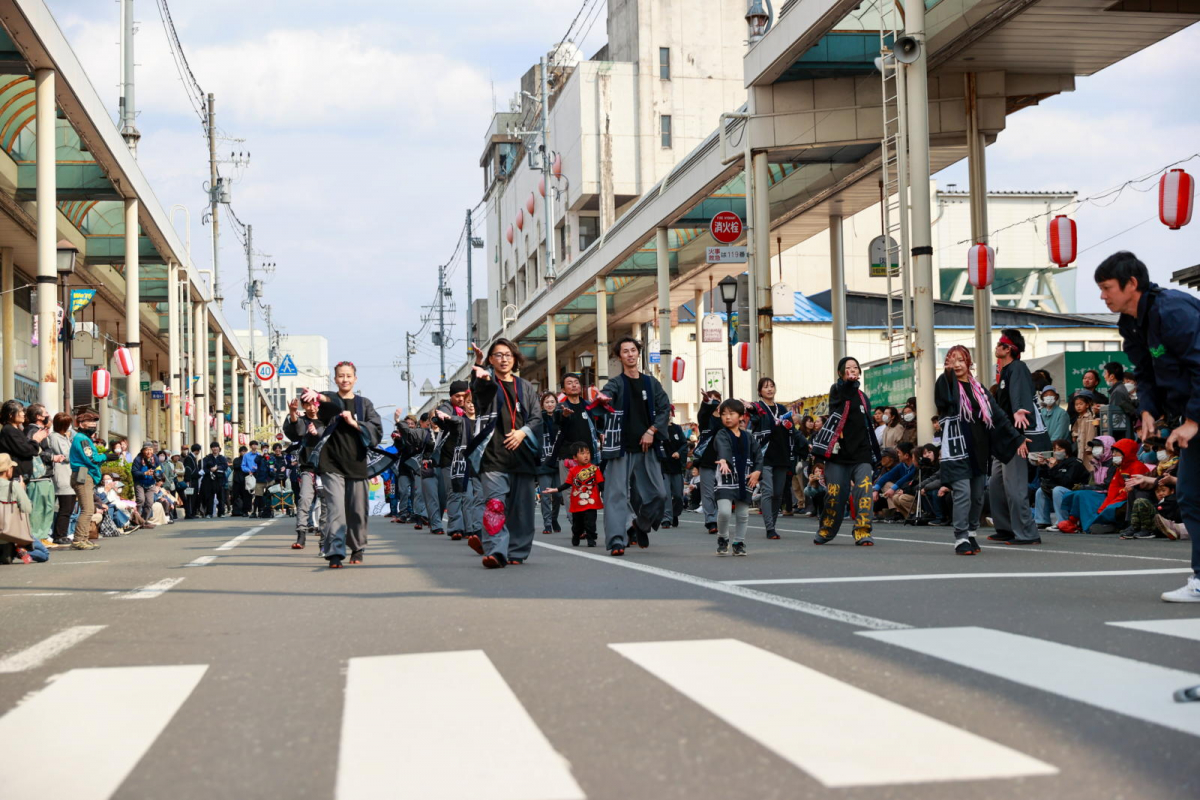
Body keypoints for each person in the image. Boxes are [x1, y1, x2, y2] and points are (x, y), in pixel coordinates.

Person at [1096, 251, 1200, 601]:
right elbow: (1146, 373)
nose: (1102, 296)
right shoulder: (1130, 323)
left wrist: (1192, 421)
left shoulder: (1173, 311)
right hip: (1190, 418)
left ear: (1131, 284)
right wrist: (1148, 413)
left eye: (1107, 287)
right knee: (1191, 496)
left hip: (1196, 418)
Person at [936, 345, 1023, 554]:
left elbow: (997, 415)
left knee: (977, 496)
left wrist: (1017, 437)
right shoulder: (946, 383)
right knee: (963, 493)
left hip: (979, 449)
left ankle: (971, 533)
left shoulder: (979, 389)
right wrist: (947, 374)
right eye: (952, 360)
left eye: (961, 360)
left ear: (969, 363)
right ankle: (960, 537)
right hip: (957, 449)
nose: (957, 364)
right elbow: (943, 399)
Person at [465, 338, 542, 568]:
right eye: (498, 355)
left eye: (508, 355)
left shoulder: (525, 386)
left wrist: (522, 433)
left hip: (522, 455)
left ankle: (517, 551)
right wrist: (479, 370)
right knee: (495, 505)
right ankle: (496, 552)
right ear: (491, 359)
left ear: (515, 358)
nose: (504, 359)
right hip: (493, 454)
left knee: (522, 509)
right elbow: (479, 393)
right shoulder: (487, 382)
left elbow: (537, 417)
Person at [302, 362, 382, 567]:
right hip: (331, 463)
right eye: (340, 376)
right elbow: (327, 409)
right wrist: (317, 402)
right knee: (335, 509)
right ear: (335, 379)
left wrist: (354, 422)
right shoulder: (326, 400)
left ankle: (357, 547)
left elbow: (376, 430)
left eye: (348, 376)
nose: (345, 379)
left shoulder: (364, 404)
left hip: (357, 462)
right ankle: (335, 552)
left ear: (355, 379)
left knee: (357, 510)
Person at [594, 337, 669, 555]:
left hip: (647, 446)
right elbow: (606, 395)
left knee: (659, 494)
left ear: (638, 353)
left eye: (633, 350)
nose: (630, 354)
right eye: (625, 351)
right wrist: (603, 399)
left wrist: (651, 431)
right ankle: (617, 541)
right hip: (621, 447)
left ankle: (640, 524)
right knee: (616, 494)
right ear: (619, 357)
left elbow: (664, 408)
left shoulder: (651, 383)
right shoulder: (616, 383)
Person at [810, 356, 881, 546]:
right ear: (840, 373)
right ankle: (826, 530)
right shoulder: (836, 390)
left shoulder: (863, 397)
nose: (853, 370)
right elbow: (843, 396)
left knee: (864, 492)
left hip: (861, 453)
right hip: (838, 454)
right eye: (848, 368)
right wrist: (847, 383)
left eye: (855, 367)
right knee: (835, 495)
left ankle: (863, 532)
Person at [988, 329, 1045, 545]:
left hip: (1015, 437)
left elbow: (1020, 399)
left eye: (999, 344)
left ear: (1008, 349)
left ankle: (1028, 533)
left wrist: (1020, 431)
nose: (996, 347)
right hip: (1002, 436)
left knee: (1015, 488)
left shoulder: (1018, 368)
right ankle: (1006, 528)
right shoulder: (1004, 371)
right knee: (996, 485)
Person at [747, 377, 809, 540]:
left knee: (777, 493)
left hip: (782, 454)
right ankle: (769, 528)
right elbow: (754, 417)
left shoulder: (782, 409)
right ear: (760, 391)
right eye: (765, 387)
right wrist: (751, 409)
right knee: (767, 491)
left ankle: (772, 524)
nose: (769, 389)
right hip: (764, 455)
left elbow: (793, 431)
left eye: (772, 386)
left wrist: (806, 444)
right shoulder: (759, 407)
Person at [1057, 438, 1148, 534]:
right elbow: (1113, 489)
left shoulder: (1134, 467)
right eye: (1113, 452)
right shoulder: (1116, 466)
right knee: (1079, 495)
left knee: (1108, 507)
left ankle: (1111, 525)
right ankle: (1075, 521)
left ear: (1126, 452)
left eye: (1117, 452)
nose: (1113, 455)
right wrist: (1103, 508)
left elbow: (1120, 488)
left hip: (1126, 497)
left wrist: (1107, 506)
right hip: (1114, 495)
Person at [713, 398, 763, 556]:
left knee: (742, 514)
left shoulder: (748, 437)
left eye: (731, 413)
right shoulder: (721, 434)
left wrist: (757, 471)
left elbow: (758, 455)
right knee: (724, 512)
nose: (727, 417)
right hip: (726, 477)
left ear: (741, 416)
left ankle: (739, 542)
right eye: (724, 414)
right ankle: (723, 538)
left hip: (745, 477)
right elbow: (722, 447)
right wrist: (723, 460)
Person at [540, 441, 603, 547]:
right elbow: (567, 484)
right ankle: (576, 535)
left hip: (591, 502)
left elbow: (601, 483)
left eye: (588, 453)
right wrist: (555, 489)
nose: (586, 456)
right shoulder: (573, 470)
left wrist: (607, 493)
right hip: (577, 503)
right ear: (575, 457)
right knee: (577, 524)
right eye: (582, 453)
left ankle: (591, 538)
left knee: (591, 522)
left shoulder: (594, 469)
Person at [285, 394, 327, 549]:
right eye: (307, 404)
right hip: (308, 467)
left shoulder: (327, 420)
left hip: (326, 468)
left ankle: (324, 536)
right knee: (304, 499)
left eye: (314, 404)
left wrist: (318, 433)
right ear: (303, 406)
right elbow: (295, 432)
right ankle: (301, 535)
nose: (311, 407)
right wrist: (292, 413)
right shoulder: (302, 421)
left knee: (326, 503)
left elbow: (333, 438)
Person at [67, 410, 108, 550]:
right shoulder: (82, 439)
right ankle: (78, 539)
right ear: (81, 424)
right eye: (89, 422)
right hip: (83, 474)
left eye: (94, 422)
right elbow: (91, 458)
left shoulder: (83, 438)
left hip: (84, 474)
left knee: (88, 509)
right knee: (87, 510)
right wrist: (106, 457)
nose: (93, 425)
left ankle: (84, 538)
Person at [437, 380, 472, 540]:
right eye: (457, 396)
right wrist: (445, 417)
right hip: (449, 459)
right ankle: (456, 528)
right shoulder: (446, 408)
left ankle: (471, 528)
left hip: (467, 459)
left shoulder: (471, 408)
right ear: (451, 396)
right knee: (454, 493)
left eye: (464, 396)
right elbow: (443, 417)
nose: (461, 399)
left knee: (468, 495)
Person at [1034, 439, 1090, 529]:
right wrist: (1043, 466)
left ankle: (1062, 521)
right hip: (1060, 490)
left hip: (1074, 491)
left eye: (1059, 449)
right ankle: (1042, 521)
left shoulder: (1075, 463)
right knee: (1041, 491)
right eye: (1054, 450)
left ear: (1066, 450)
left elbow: (1066, 482)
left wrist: (1054, 468)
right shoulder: (1056, 463)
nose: (1056, 452)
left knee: (1057, 490)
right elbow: (1045, 480)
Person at [0, 451, 43, 564]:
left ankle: (8, 551)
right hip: (11, 531)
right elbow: (27, 508)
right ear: (8, 470)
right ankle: (16, 551)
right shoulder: (13, 485)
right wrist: (22, 489)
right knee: (44, 554)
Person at [692, 390, 723, 535]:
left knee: (722, 492)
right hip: (707, 459)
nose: (715, 402)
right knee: (708, 492)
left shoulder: (726, 419)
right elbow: (703, 413)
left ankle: (722, 518)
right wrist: (706, 403)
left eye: (717, 399)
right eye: (712, 399)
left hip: (724, 460)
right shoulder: (705, 418)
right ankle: (711, 521)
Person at [535, 392, 563, 536]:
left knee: (558, 494)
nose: (550, 404)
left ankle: (554, 518)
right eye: (547, 402)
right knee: (545, 495)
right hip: (543, 461)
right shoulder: (538, 419)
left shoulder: (561, 417)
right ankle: (547, 523)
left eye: (552, 402)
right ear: (542, 405)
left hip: (558, 461)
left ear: (556, 403)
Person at [47, 413, 75, 547]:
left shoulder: (64, 437)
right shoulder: (55, 437)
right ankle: (59, 535)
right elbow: (66, 456)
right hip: (62, 475)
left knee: (68, 507)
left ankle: (62, 533)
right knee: (66, 507)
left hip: (68, 474)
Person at [660, 405, 689, 529]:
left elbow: (684, 444)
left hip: (676, 466)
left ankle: (674, 513)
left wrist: (679, 452)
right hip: (663, 466)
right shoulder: (658, 429)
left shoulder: (677, 428)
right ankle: (666, 518)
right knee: (665, 494)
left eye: (669, 412)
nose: (668, 414)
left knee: (678, 495)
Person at [1102, 362, 1137, 438]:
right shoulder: (1120, 388)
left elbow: (1116, 418)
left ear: (1112, 376)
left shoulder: (1117, 392)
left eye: (1105, 373)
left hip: (1120, 436)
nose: (1104, 376)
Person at [131, 443, 159, 522]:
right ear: (143, 451)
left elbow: (160, 468)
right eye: (147, 450)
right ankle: (136, 519)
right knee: (140, 500)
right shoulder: (138, 459)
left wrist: (156, 473)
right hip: (140, 483)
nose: (149, 452)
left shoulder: (155, 458)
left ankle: (144, 520)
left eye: (150, 450)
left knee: (149, 503)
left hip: (151, 483)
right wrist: (144, 473)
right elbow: (134, 472)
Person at [201, 442, 229, 518]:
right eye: (213, 447)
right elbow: (203, 467)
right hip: (209, 480)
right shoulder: (207, 458)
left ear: (219, 448)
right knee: (209, 497)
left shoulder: (222, 458)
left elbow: (225, 466)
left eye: (216, 447)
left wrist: (217, 468)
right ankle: (209, 513)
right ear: (211, 449)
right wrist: (210, 469)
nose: (215, 448)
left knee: (221, 497)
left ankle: (221, 512)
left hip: (220, 479)